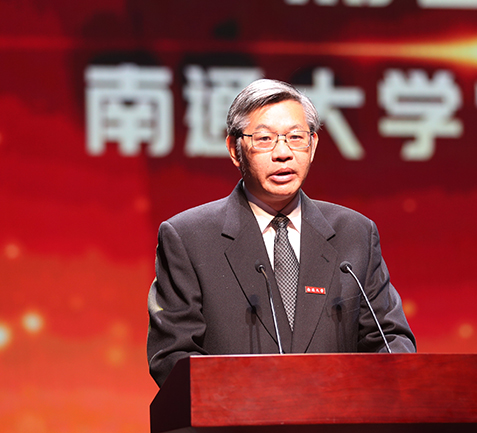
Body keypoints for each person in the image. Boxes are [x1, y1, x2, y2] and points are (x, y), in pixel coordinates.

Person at [147, 79, 416, 387]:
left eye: (295, 137)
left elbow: (390, 339)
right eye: (265, 139)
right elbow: (173, 355)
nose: (283, 153)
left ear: (313, 146)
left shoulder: (355, 234)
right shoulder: (188, 238)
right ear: (234, 149)